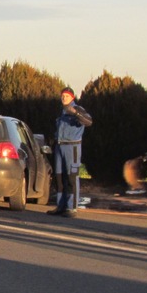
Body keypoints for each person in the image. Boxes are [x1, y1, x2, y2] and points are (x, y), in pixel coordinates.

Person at [48, 87, 92, 217]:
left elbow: (88, 121)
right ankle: (61, 206)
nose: (64, 98)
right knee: (60, 177)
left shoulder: (78, 109)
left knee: (72, 177)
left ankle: (72, 207)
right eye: (62, 96)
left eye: (66, 96)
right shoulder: (62, 112)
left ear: (72, 97)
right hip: (60, 146)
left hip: (72, 147)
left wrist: (76, 113)